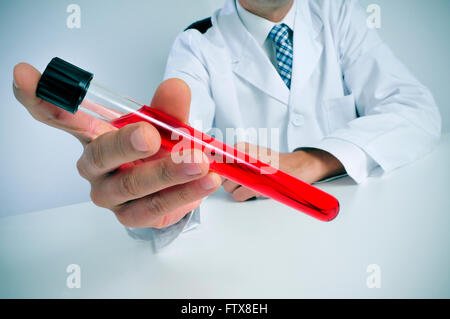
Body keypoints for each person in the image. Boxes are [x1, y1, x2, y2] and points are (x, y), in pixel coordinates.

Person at [13, 0, 441, 249]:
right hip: (257, 254)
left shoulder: (338, 15)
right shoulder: (197, 45)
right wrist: (151, 181)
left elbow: (417, 111)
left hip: (361, 234)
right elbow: (177, 141)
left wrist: (309, 162)